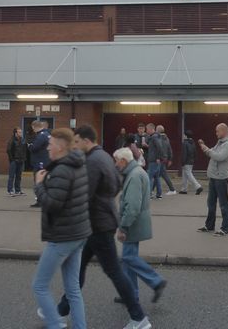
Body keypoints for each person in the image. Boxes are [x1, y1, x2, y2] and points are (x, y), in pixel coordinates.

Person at [55, 126, 151, 329]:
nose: (75, 145)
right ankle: (61, 311)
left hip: (98, 225)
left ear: (86, 140)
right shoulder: (105, 157)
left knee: (114, 271)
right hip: (97, 223)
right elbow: (116, 184)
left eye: (77, 141)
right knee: (78, 268)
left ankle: (139, 317)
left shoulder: (92, 161)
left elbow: (82, 195)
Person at [33, 128, 91, 329]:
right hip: (79, 233)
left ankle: (55, 324)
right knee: (73, 289)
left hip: (63, 235)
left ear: (59, 147)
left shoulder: (61, 171)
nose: (47, 147)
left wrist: (39, 185)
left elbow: (52, 204)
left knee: (39, 286)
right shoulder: (78, 164)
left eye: (50, 144)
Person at [113, 147, 167, 310]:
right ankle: (131, 295)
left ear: (123, 160)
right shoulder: (135, 172)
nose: (115, 164)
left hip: (133, 224)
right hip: (136, 223)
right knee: (128, 260)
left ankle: (156, 281)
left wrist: (123, 227)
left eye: (116, 161)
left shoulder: (134, 176)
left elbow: (133, 207)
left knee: (129, 258)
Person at [197, 123, 228, 236]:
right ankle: (209, 225)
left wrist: (205, 148)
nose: (216, 133)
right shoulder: (220, 143)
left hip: (221, 178)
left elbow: (219, 157)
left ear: (224, 131)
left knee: (223, 204)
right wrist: (205, 147)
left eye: (218, 131)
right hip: (213, 177)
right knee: (211, 203)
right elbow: (212, 152)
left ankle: (225, 228)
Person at [29, 120, 51, 208]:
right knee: (45, 182)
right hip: (46, 162)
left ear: (34, 127)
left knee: (39, 182)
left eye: (32, 128)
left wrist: (29, 145)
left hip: (40, 163)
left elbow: (34, 148)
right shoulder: (48, 134)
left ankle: (40, 201)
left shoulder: (41, 136)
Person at [179, 130, 202, 195]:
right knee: (185, 175)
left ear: (186, 136)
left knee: (189, 175)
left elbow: (184, 154)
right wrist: (194, 159)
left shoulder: (185, 143)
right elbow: (195, 152)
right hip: (191, 161)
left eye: (184, 135)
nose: (183, 136)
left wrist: (182, 162)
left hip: (186, 161)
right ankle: (184, 189)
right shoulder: (193, 143)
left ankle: (198, 187)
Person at [156, 126, 177, 195]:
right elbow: (169, 149)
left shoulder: (158, 138)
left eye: (156, 130)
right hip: (165, 159)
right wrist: (170, 159)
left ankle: (172, 189)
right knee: (159, 175)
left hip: (160, 159)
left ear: (158, 131)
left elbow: (159, 149)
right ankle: (153, 191)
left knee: (161, 175)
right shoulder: (166, 138)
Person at [7, 126, 27, 196]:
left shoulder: (23, 140)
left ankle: (18, 190)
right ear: (15, 133)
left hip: (21, 160)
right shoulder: (12, 140)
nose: (21, 133)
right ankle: (10, 190)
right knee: (11, 176)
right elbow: (8, 150)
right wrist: (12, 159)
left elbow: (25, 150)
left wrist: (24, 158)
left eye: (21, 132)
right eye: (19, 132)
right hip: (14, 161)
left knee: (19, 176)